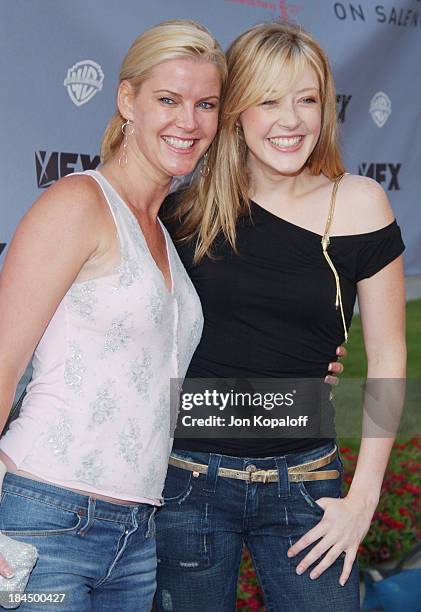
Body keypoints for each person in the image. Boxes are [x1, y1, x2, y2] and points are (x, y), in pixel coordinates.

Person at [155, 22, 406, 612]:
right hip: (183, 482)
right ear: (235, 109)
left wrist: (364, 496)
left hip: (306, 488)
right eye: (268, 100)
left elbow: (390, 357)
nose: (290, 120)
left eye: (307, 99)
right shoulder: (182, 210)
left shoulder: (360, 203)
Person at [0, 20, 226, 610]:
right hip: (43, 512)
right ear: (128, 99)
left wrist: (308, 392)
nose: (189, 121)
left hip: (137, 532)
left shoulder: (165, 234)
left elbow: (153, 383)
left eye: (206, 104)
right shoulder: (77, 203)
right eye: (168, 100)